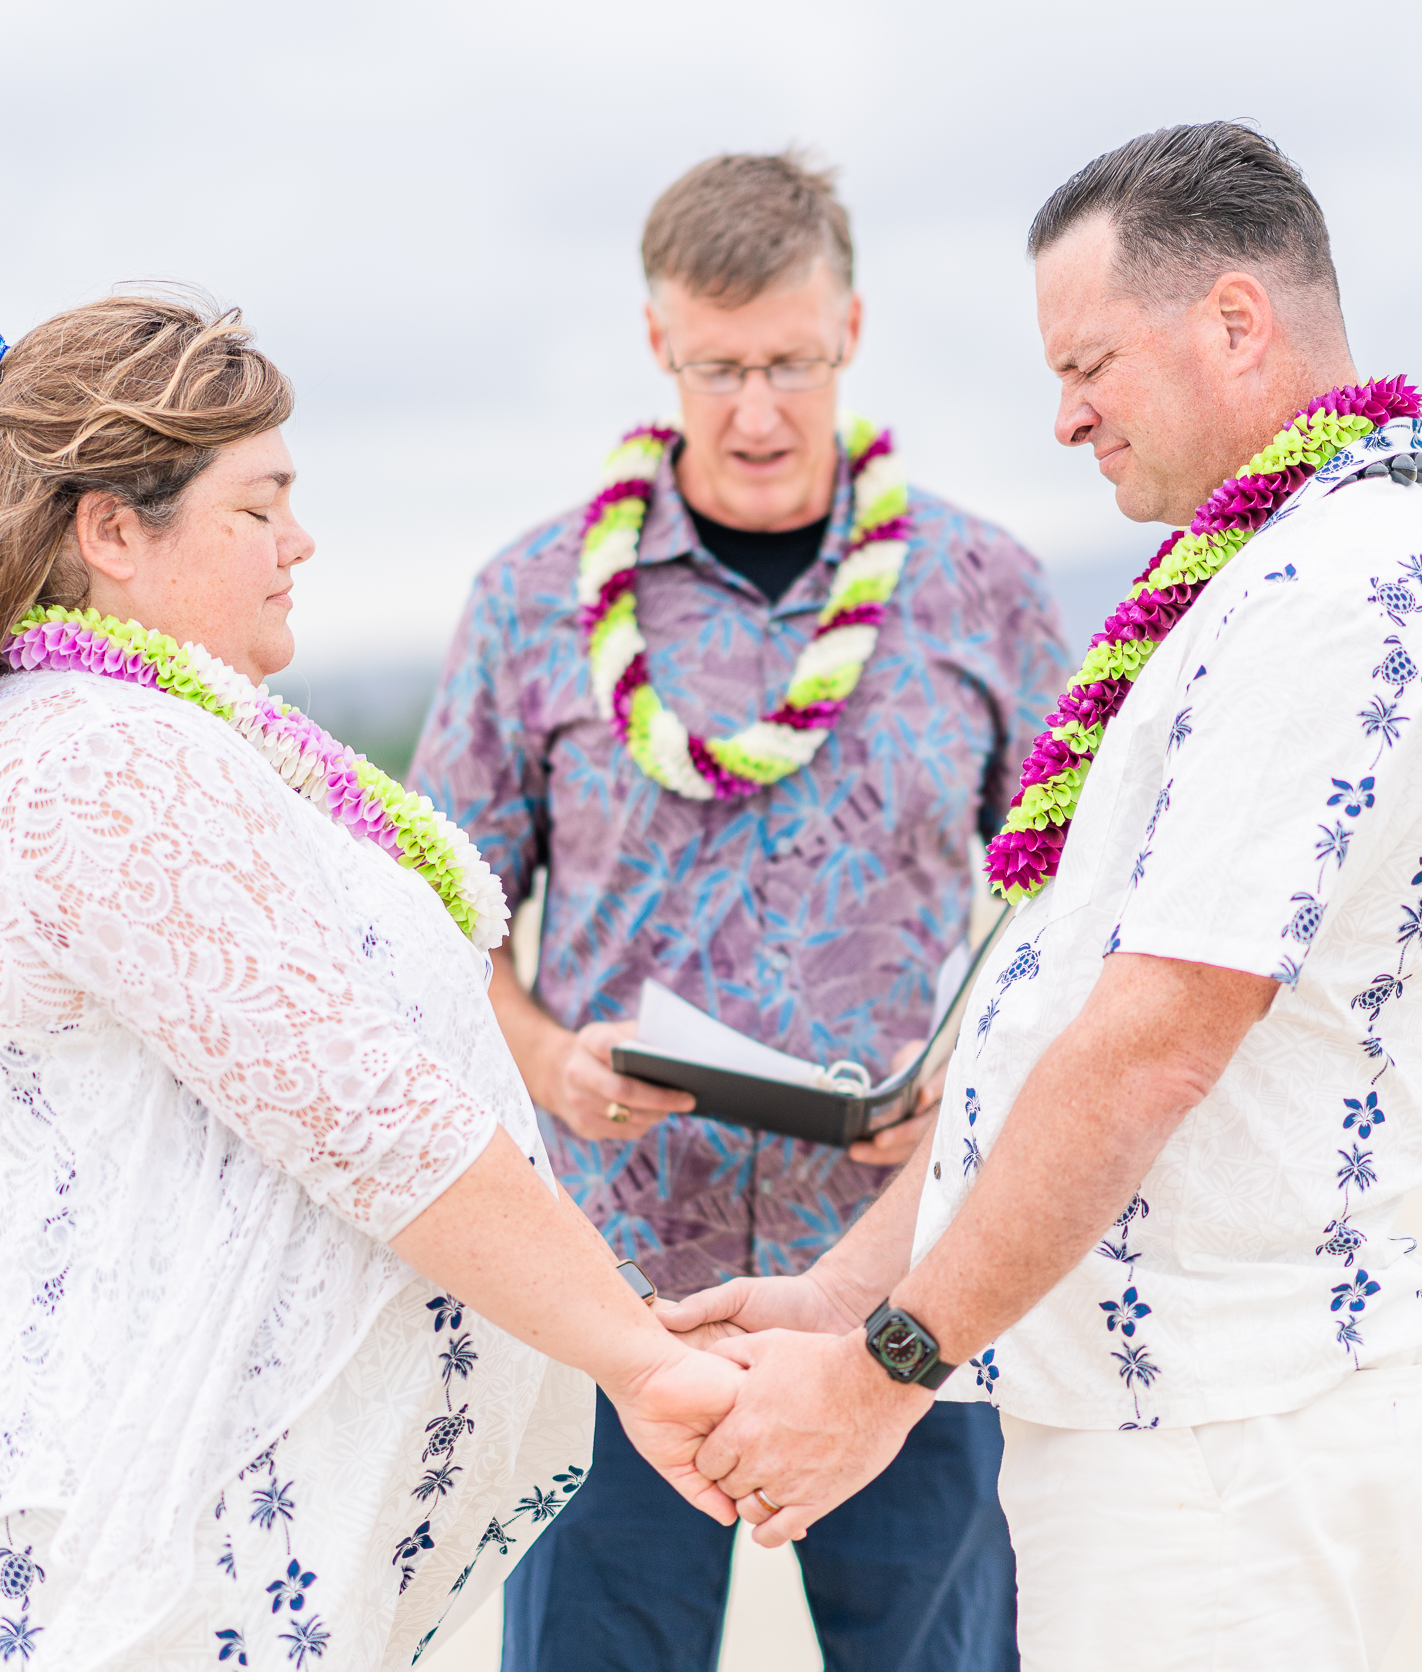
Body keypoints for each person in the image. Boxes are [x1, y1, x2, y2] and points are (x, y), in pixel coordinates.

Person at [664, 123, 1422, 1670]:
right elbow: (1049, 1011)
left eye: (1087, 366)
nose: (1060, 418)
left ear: (1236, 322)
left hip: (1220, 1437)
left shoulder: (1336, 599)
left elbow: (1152, 1045)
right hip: (1147, 1420)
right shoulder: (1261, 578)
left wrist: (879, 1378)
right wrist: (840, 1294)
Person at [0, 292, 745, 1672]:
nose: (299, 542)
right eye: (259, 508)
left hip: (172, 1501)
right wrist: (645, 1361)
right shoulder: (104, 763)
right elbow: (374, 1120)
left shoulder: (107, 732)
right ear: (114, 530)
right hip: (161, 1523)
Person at [405, 152, 1065, 1672]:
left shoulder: (982, 590)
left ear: (850, 328)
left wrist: (963, 1081)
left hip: (903, 1290)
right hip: (615, 1285)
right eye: (719, 368)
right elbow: (439, 931)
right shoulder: (528, 601)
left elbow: (1057, 916)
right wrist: (545, 1055)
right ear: (658, 347)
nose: (757, 410)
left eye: (789, 362)